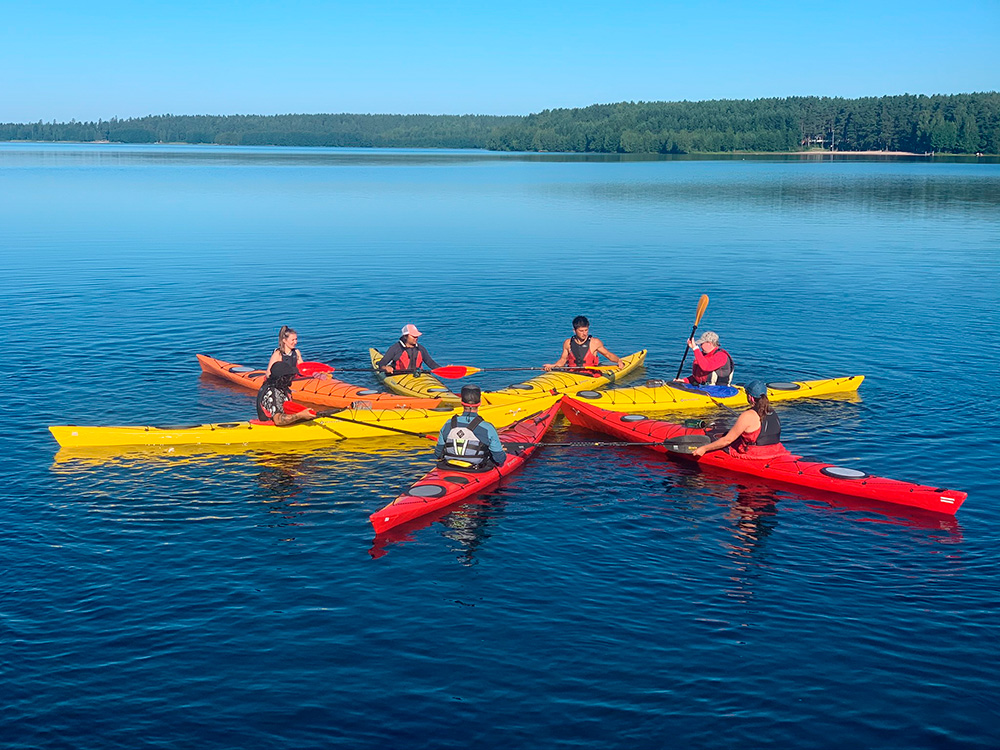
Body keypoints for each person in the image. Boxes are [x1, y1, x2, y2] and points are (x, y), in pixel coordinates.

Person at [692, 380, 787, 460]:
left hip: (756, 454)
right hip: (777, 450)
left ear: (750, 397)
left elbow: (727, 441)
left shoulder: (748, 415)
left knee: (721, 440)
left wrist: (703, 449)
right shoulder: (773, 412)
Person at [434, 385, 507, 471]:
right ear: (479, 403)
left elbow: (438, 454)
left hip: (449, 467)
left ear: (461, 402)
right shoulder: (488, 428)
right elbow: (500, 459)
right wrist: (501, 451)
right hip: (476, 470)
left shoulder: (448, 424)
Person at [543, 315, 625, 371]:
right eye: (581, 331)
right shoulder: (568, 343)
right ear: (574, 331)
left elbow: (608, 355)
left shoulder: (595, 342)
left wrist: (618, 361)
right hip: (571, 372)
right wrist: (553, 366)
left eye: (586, 330)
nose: (584, 333)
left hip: (589, 374)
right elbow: (563, 360)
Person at [256, 361, 317, 425]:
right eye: (291, 376)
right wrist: (300, 415)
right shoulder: (273, 392)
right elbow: (278, 420)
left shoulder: (278, 387)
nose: (293, 378)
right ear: (284, 378)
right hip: (272, 429)